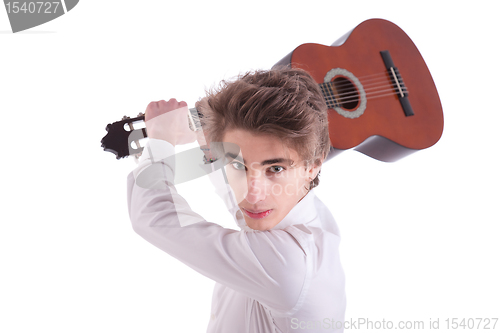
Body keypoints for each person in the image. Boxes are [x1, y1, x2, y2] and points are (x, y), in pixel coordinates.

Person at [127, 68, 346, 332]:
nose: (252, 195)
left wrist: (160, 140)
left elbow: (153, 218)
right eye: (238, 166)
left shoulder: (289, 264)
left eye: (275, 169)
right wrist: (202, 139)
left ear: (314, 165)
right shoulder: (304, 212)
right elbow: (240, 197)